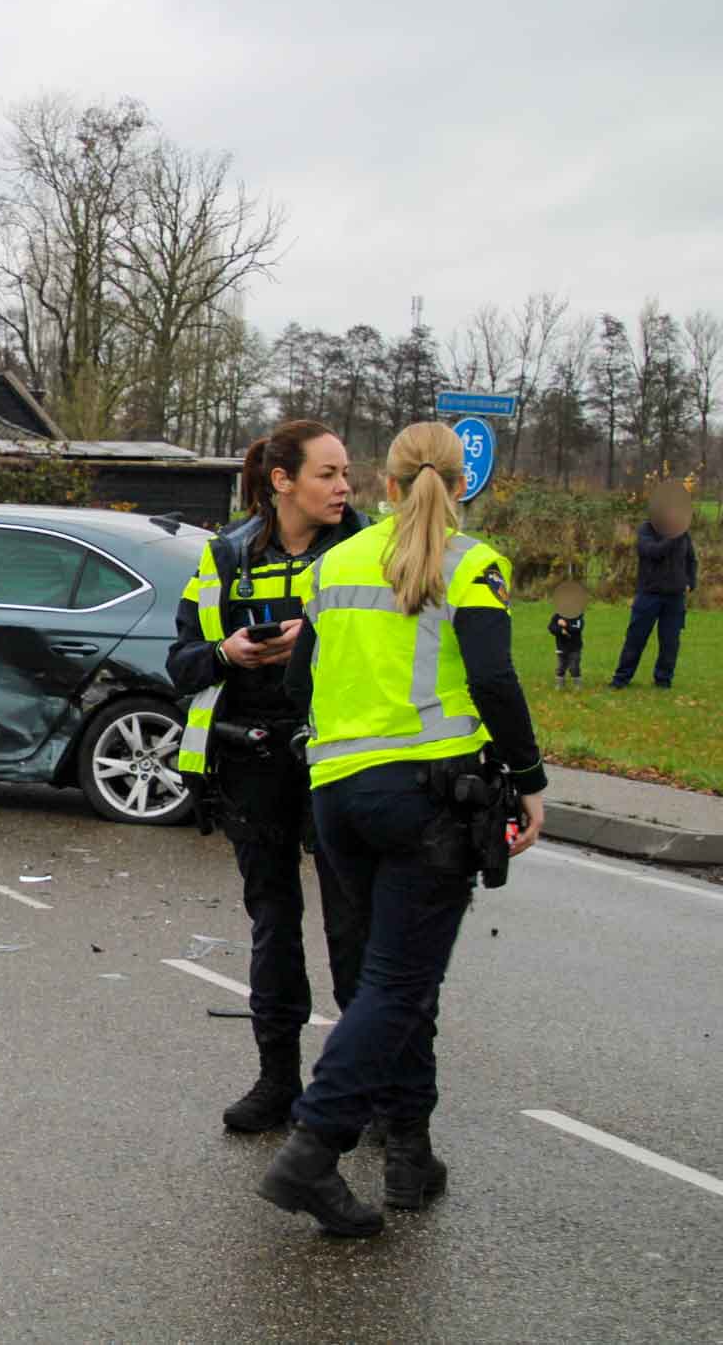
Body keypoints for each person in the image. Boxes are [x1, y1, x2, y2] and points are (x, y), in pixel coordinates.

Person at [257, 421, 547, 1237]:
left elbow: (298, 685)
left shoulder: (334, 562)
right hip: (426, 798)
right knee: (399, 983)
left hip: (338, 794)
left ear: (387, 484)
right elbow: (492, 676)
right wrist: (529, 782)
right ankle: (314, 1149)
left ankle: (411, 1155)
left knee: (392, 976)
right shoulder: (472, 562)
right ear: (462, 486)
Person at [169, 420, 370, 1133]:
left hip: (342, 760)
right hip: (253, 759)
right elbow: (182, 663)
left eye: (346, 472)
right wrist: (228, 653)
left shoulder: (366, 550)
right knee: (274, 926)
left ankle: (360, 1087)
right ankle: (277, 1080)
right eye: (327, 473)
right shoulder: (225, 554)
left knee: (354, 931)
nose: (344, 486)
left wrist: (311, 646)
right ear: (282, 481)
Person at [610, 490, 698, 690]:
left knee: (670, 643)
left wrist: (690, 581)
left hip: (674, 597)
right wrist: (673, 538)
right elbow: (652, 552)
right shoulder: (646, 530)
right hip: (649, 594)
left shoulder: (683, 534)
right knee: (636, 638)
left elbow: (691, 560)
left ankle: (663, 680)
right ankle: (621, 679)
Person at [548, 580, 587, 688]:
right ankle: (560, 684)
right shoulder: (557, 616)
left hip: (575, 647)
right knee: (561, 666)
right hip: (561, 646)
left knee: (574, 666)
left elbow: (578, 628)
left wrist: (566, 626)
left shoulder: (578, 616)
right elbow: (551, 627)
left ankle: (577, 684)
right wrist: (560, 630)